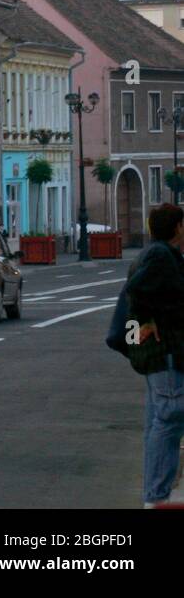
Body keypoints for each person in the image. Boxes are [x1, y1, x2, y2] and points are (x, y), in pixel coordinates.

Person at [125, 203, 184, 507]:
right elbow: (137, 289)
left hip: (161, 354)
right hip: (165, 353)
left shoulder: (158, 253)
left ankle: (154, 495)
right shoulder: (162, 255)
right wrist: (147, 320)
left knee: (160, 420)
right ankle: (156, 498)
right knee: (170, 417)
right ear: (178, 227)